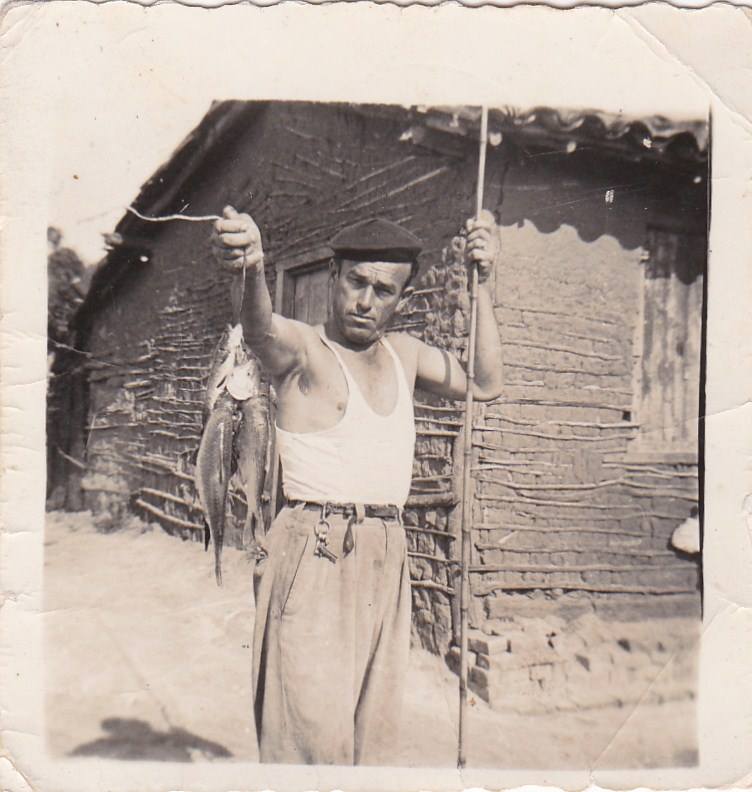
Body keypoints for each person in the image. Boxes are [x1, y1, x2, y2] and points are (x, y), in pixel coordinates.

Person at [211, 209, 503, 766]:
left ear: (402, 298)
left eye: (383, 290)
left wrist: (483, 284)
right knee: (308, 739)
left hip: (387, 553)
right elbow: (260, 329)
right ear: (333, 277)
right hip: (315, 548)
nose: (366, 301)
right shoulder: (304, 350)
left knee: (375, 741)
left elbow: (486, 384)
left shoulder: (406, 356)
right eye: (356, 282)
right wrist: (251, 266)